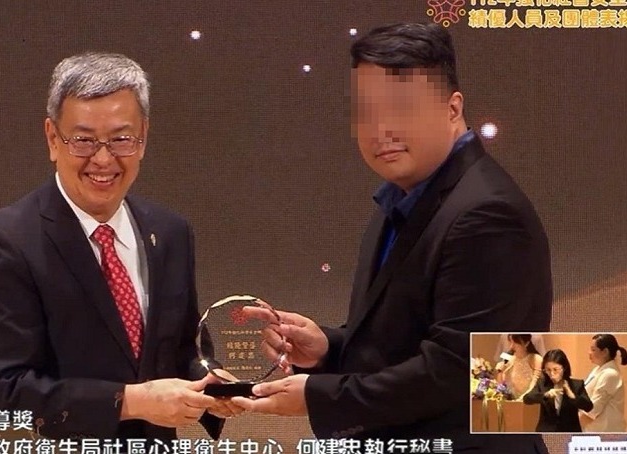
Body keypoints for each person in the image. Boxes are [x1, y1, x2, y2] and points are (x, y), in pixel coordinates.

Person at [232, 23, 552, 453]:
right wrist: (330, 348)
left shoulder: (487, 212)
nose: (380, 129)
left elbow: (460, 371)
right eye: (365, 112)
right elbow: (403, 342)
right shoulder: (405, 196)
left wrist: (317, 396)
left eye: (401, 108)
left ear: (453, 108)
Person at [0, 52, 239, 443]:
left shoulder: (170, 232)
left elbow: (176, 353)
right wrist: (132, 401)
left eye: (121, 139)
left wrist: (209, 383)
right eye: (84, 140)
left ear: (143, 138)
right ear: (52, 138)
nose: (103, 159)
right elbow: (4, 391)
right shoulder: (6, 241)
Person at [524, 349, 593, 432]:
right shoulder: (542, 384)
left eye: (555, 369)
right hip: (546, 432)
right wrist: (546, 395)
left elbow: (589, 407)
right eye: (548, 370)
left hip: (570, 432)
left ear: (564, 368)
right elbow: (527, 399)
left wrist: (572, 396)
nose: (552, 374)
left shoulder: (576, 385)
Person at [579, 334, 627, 432]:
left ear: (605, 352)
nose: (589, 353)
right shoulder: (598, 369)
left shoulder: (610, 374)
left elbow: (593, 410)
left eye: (593, 350)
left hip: (607, 432)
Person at [495, 334, 543, 400]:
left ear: (526, 343)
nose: (511, 346)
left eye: (515, 343)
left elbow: (534, 386)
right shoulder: (508, 357)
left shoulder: (536, 359)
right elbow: (501, 384)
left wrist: (520, 400)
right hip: (512, 400)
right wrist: (500, 370)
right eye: (510, 342)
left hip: (529, 401)